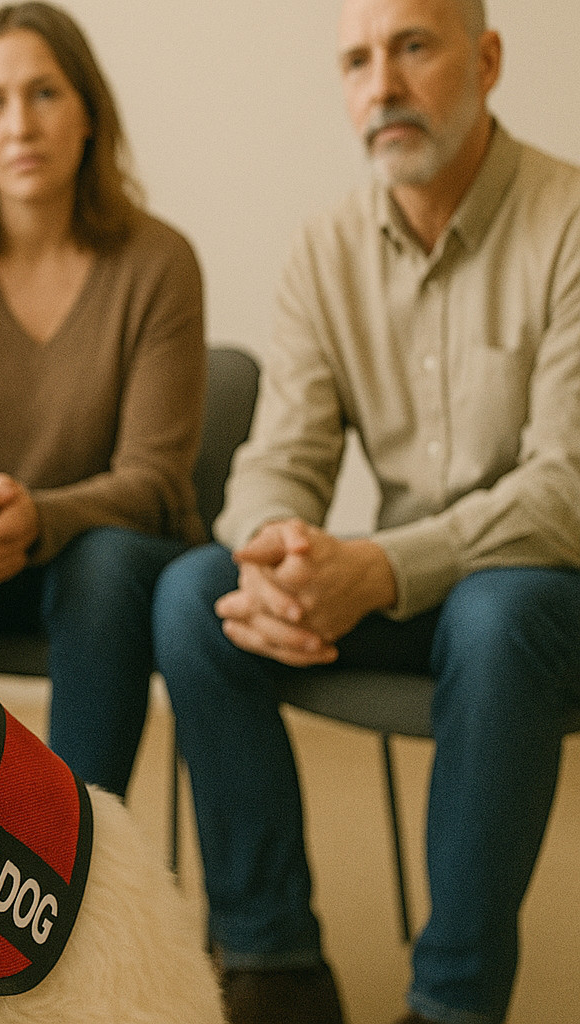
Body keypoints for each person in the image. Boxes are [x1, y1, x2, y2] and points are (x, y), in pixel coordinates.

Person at [151, 0, 580, 1021]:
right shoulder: (324, 251)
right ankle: (275, 967)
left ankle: (453, 1002)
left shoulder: (568, 224)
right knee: (192, 594)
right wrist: (277, 552)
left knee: (498, 611)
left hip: (543, 596)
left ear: (486, 60)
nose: (379, 85)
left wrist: (375, 569)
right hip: (406, 592)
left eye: (412, 48)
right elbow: (278, 457)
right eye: (355, 60)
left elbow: (565, 489)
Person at [0, 1, 205, 797]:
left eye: (45, 94)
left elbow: (156, 481)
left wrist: (41, 517)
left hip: (109, 564)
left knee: (101, 566)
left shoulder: (159, 261)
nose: (19, 124)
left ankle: (78, 854)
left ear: (89, 114)